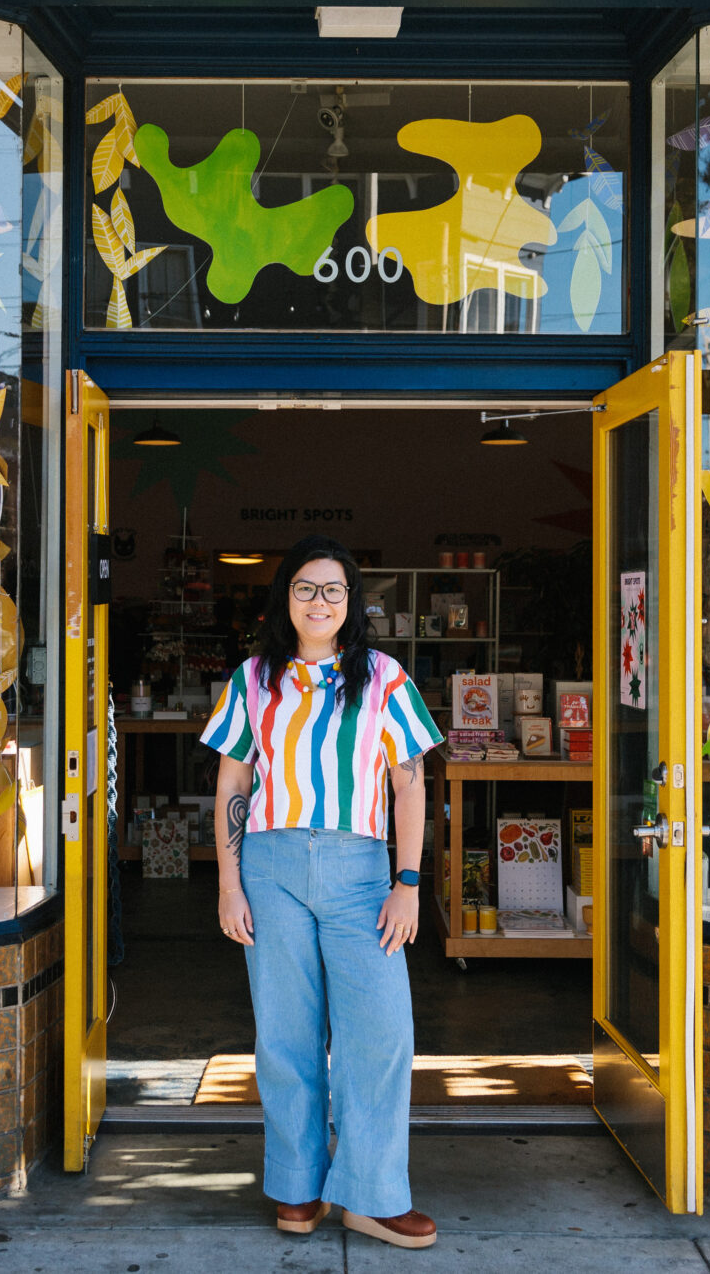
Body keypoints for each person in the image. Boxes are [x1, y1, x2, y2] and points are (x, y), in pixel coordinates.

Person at [201, 534, 442, 1250]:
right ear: (286, 598)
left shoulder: (386, 678)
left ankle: (372, 1194)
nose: (319, 601)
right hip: (270, 868)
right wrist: (226, 881)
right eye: (306, 587)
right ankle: (298, 1186)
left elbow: (409, 783)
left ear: (352, 602)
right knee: (285, 1034)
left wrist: (408, 883)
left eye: (333, 589)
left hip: (361, 872)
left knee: (380, 1031)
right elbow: (232, 784)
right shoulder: (251, 679)